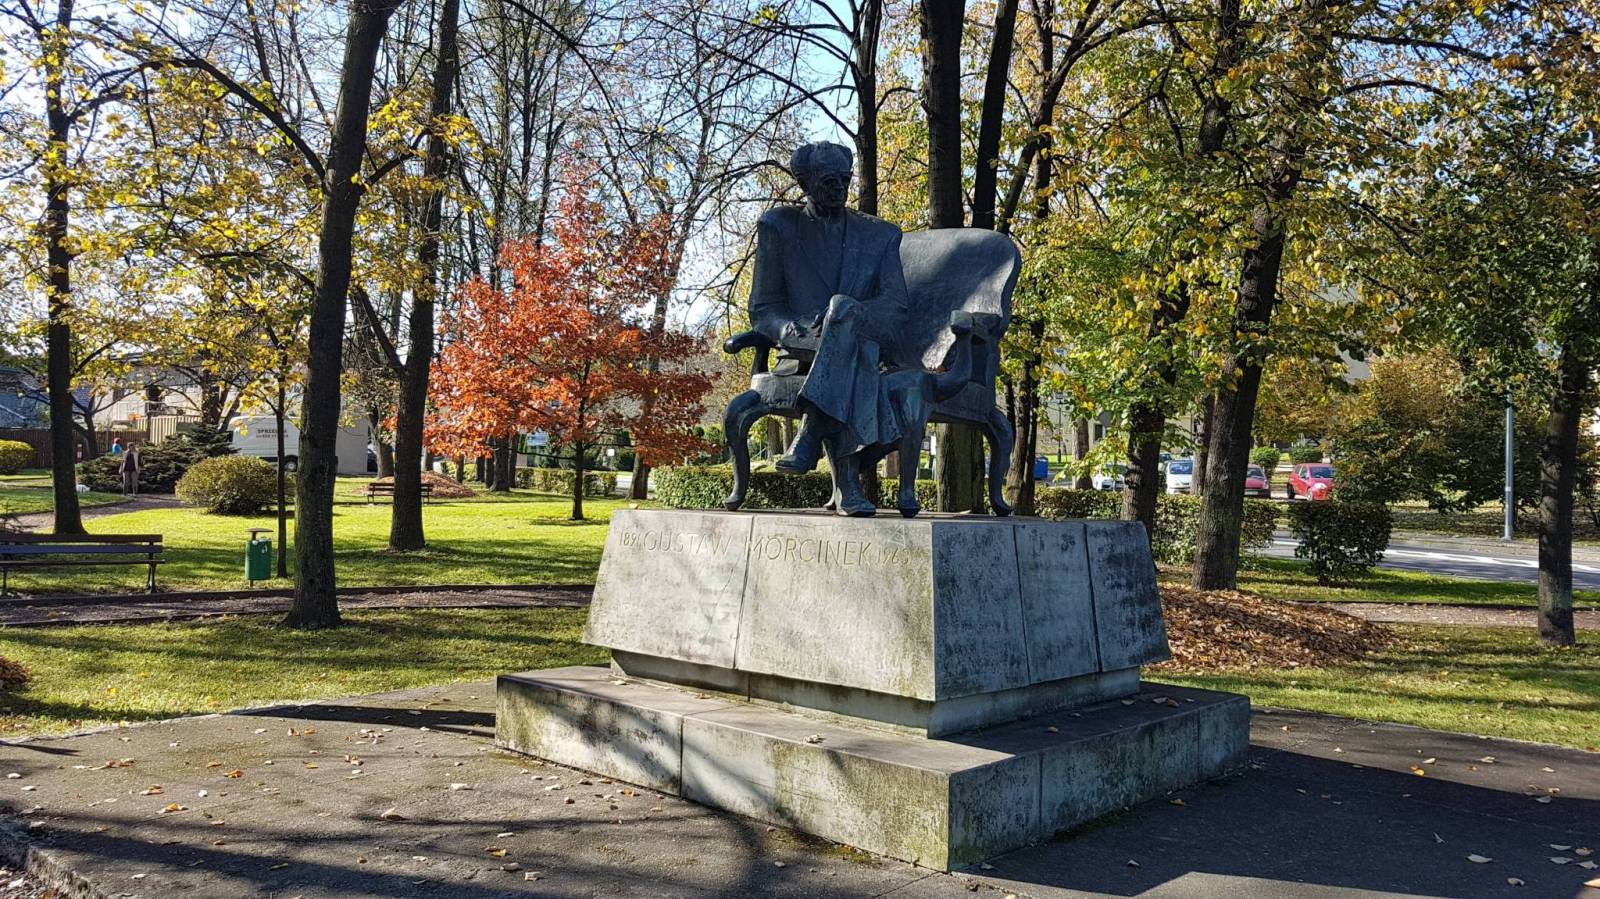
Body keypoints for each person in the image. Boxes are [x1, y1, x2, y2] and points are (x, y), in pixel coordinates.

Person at [746, 141, 910, 514]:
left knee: (844, 312)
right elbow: (763, 309)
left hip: (867, 335)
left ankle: (810, 433)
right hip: (806, 349)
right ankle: (848, 488)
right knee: (857, 360)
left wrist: (848, 314)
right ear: (804, 182)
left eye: (845, 179)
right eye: (828, 181)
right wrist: (795, 330)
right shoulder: (778, 227)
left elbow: (895, 305)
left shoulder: (880, 235)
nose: (839, 188)